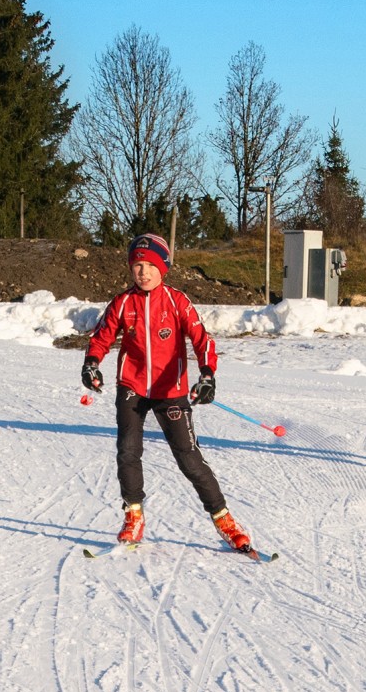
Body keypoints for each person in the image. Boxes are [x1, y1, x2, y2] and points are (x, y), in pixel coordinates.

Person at [81, 233, 251, 550]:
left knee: (189, 459)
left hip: (170, 390)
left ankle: (224, 519)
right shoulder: (123, 303)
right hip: (131, 386)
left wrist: (207, 374)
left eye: (150, 265)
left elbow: (203, 340)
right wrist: (91, 363)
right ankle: (133, 515)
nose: (143, 272)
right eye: (137, 265)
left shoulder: (176, 301)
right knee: (127, 452)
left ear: (163, 268)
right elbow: (101, 337)